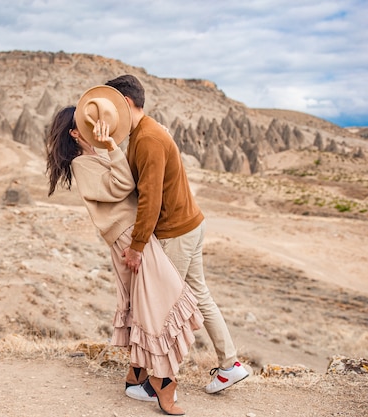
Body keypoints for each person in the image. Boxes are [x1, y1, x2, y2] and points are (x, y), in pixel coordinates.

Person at [46, 85, 204, 416]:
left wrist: (107, 149)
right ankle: (163, 384)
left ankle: (135, 380)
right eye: (85, 126)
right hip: (128, 238)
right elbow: (124, 186)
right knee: (160, 304)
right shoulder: (81, 165)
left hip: (133, 236)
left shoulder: (95, 157)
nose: (94, 129)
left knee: (144, 304)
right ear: (74, 133)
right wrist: (110, 147)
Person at [104, 74, 250, 395]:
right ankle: (229, 366)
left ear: (127, 103)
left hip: (175, 232)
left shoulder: (148, 139)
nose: (110, 115)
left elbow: (150, 199)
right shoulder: (147, 132)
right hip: (190, 224)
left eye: (114, 107)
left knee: (163, 308)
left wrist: (137, 246)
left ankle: (160, 383)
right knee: (198, 295)